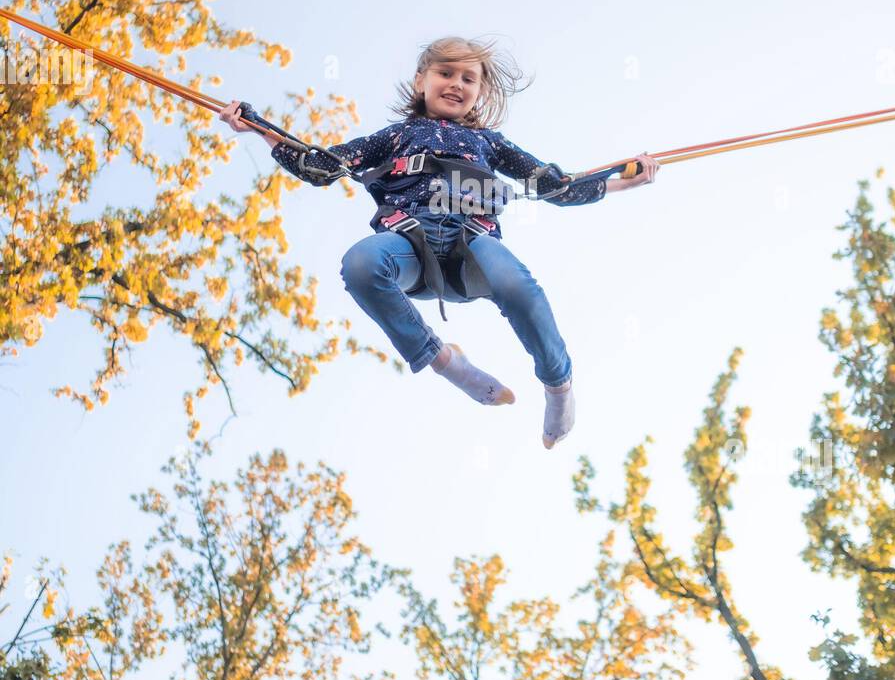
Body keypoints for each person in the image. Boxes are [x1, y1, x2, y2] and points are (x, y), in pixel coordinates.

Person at [218, 35, 659, 448]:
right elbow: (322, 165)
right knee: (359, 264)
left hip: (472, 243)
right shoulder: (393, 137)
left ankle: (558, 385)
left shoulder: (488, 142)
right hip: (410, 242)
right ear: (421, 81)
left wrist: (622, 180)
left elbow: (554, 185)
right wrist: (257, 126)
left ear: (480, 92)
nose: (456, 84)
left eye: (469, 79)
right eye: (446, 73)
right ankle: (444, 360)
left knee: (518, 286)